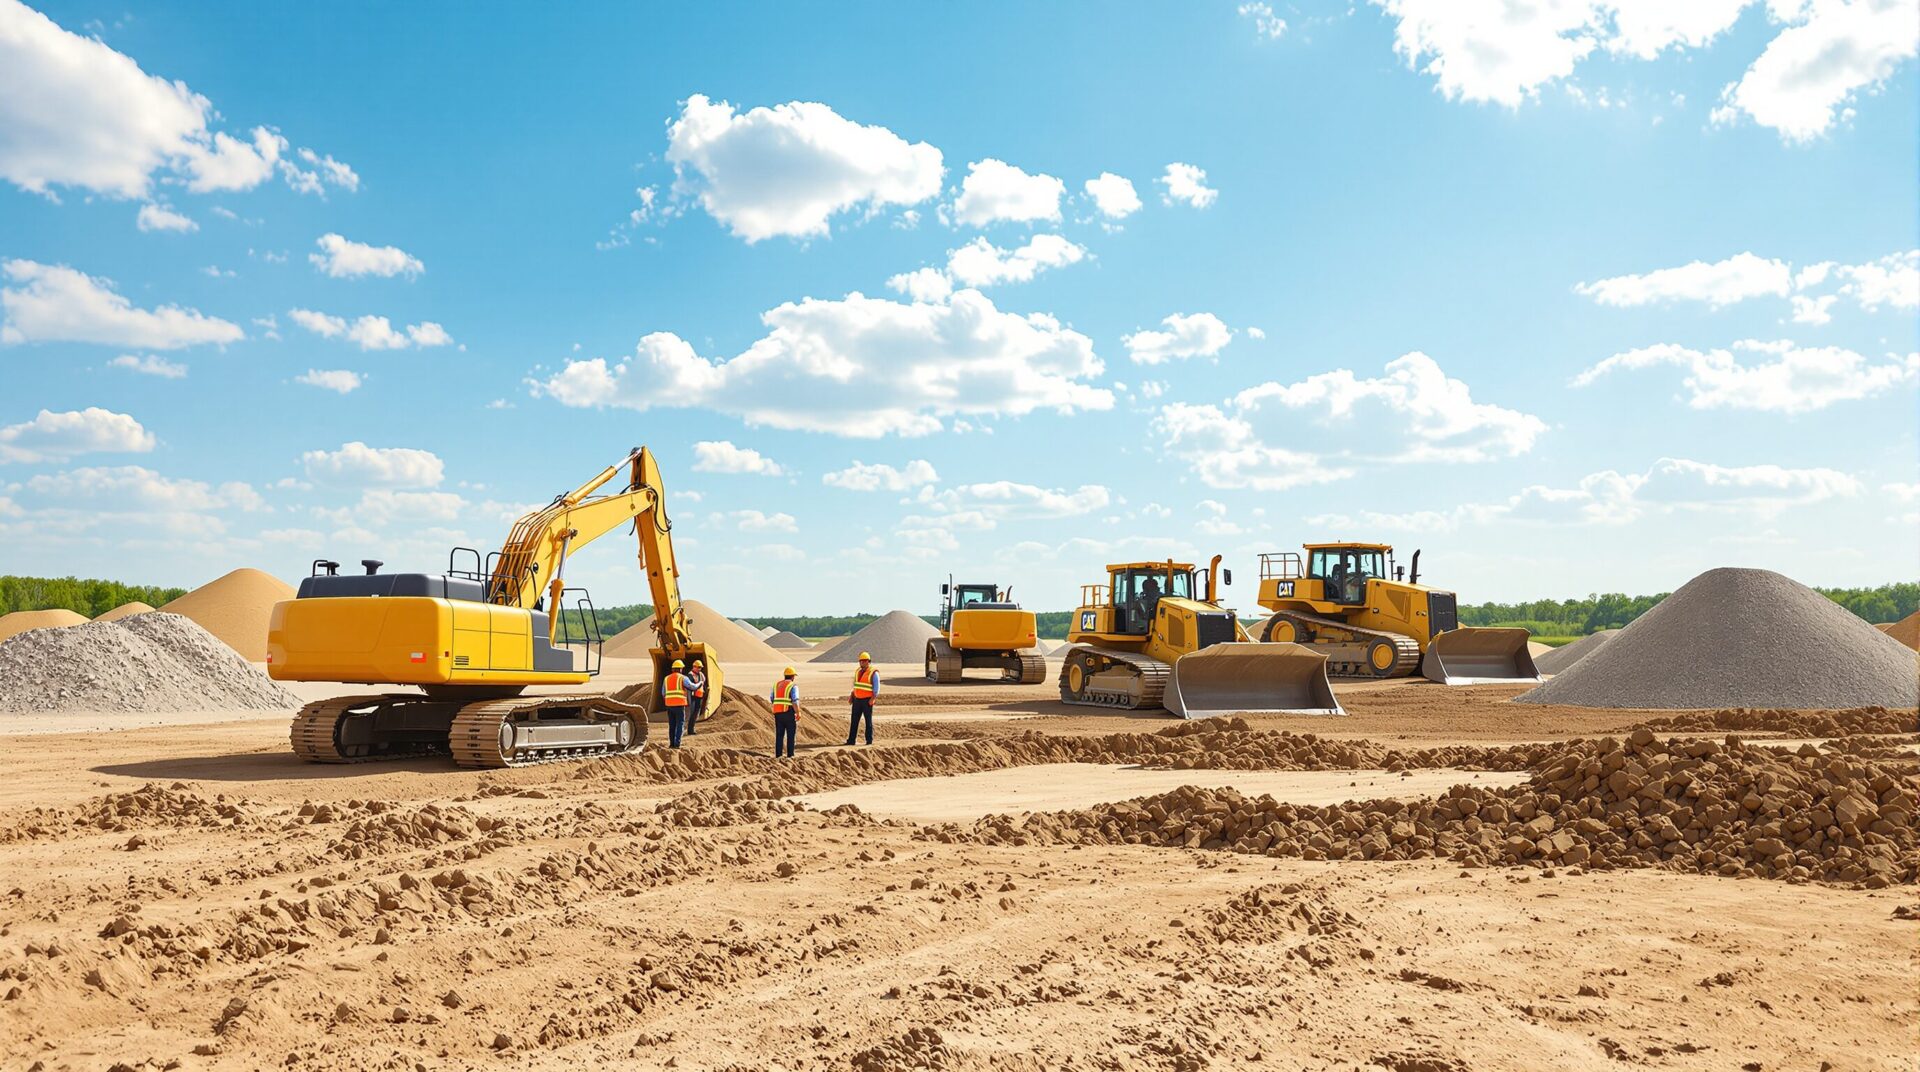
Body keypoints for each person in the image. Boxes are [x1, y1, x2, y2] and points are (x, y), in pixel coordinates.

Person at [845, 652, 879, 746]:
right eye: (861, 661)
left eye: (864, 661)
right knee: (854, 720)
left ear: (869, 661)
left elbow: (876, 688)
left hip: (867, 700)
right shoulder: (857, 671)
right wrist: (852, 695)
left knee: (868, 721)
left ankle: (869, 740)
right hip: (857, 700)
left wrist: (873, 698)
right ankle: (851, 740)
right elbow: (856, 685)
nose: (862, 663)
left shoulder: (873, 673)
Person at [769, 666, 800, 759]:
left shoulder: (776, 685)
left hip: (778, 713)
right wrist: (798, 712)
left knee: (779, 735)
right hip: (788, 712)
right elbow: (795, 700)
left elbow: (772, 698)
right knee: (790, 734)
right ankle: (790, 755)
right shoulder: (793, 686)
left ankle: (778, 755)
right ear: (792, 677)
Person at [661, 659, 690, 749]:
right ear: (680, 669)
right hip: (679, 705)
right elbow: (691, 686)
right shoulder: (683, 678)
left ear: (673, 669)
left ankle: (672, 744)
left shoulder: (666, 678)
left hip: (669, 705)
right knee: (680, 724)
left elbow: (663, 693)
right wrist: (700, 684)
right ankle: (677, 744)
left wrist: (668, 700)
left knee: (672, 725)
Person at [684, 658, 708, 736]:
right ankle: (690, 730)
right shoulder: (690, 675)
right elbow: (690, 686)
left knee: (696, 713)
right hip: (693, 696)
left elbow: (703, 683)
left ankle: (692, 728)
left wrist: (704, 691)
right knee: (692, 713)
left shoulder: (701, 674)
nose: (699, 669)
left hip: (699, 696)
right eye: (698, 667)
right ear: (694, 667)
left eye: (700, 667)